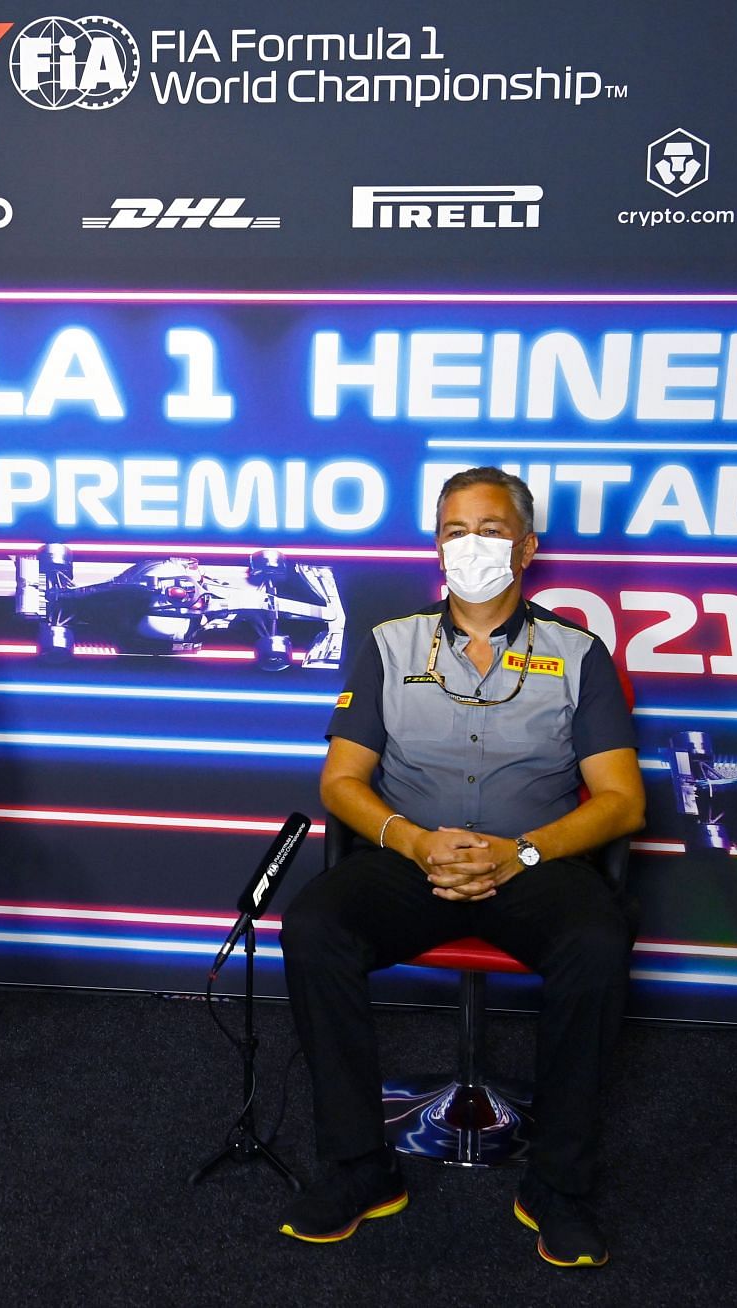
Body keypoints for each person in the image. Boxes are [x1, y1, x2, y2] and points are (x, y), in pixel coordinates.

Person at [277, 466, 645, 1266]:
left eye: (489, 529)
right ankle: (358, 1169)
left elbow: (622, 802)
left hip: (534, 863)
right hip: (415, 858)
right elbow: (341, 781)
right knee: (312, 927)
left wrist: (522, 854)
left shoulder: (580, 655)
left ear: (527, 547)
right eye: (454, 531)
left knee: (596, 942)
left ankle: (558, 1187)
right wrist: (414, 842)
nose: (470, 546)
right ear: (436, 547)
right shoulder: (387, 645)